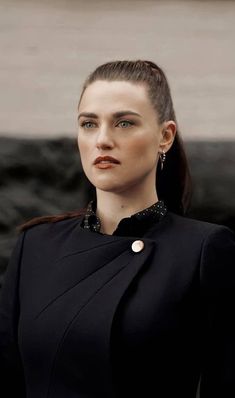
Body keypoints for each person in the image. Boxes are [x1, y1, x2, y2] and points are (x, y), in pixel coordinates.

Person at [0, 60, 235, 398]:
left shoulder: (202, 250)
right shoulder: (35, 246)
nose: (103, 140)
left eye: (124, 123)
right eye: (89, 124)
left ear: (165, 136)